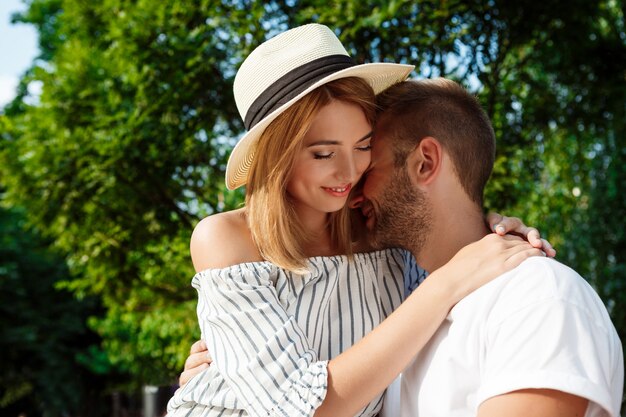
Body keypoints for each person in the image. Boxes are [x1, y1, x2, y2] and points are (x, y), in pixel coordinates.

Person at [166, 24, 551, 417]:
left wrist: (492, 231)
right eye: (323, 154)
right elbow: (303, 408)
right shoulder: (227, 238)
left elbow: (447, 238)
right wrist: (447, 282)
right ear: (277, 158)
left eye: (364, 145)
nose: (349, 172)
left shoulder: (379, 232)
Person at [350, 78, 622, 417]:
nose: (353, 196)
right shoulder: (410, 316)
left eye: (367, 172)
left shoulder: (536, 297)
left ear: (425, 163)